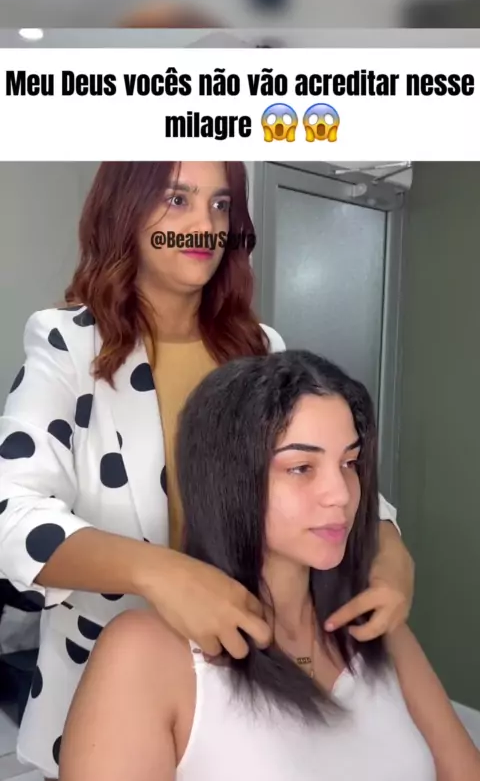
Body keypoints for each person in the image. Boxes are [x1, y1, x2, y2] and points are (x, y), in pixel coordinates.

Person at [0, 161, 413, 780]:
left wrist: (390, 550)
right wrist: (160, 573)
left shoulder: (259, 349)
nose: (203, 224)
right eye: (177, 199)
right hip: (111, 698)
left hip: (250, 680)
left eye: (221, 205)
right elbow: (11, 512)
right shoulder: (68, 344)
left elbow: (327, 470)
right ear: (125, 209)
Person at [58, 350, 480, 780]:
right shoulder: (145, 655)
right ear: (228, 480)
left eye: (349, 463)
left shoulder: (375, 624)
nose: (340, 493)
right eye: (301, 468)